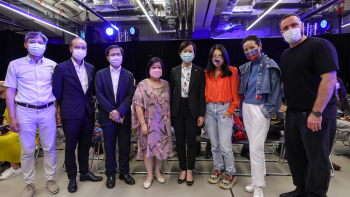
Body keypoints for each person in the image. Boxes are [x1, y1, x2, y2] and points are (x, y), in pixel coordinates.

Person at [279, 14, 339, 197]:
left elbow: (329, 79)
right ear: (281, 33)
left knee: (317, 158)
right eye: (286, 28)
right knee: (296, 156)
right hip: (293, 113)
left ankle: (315, 194)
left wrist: (317, 112)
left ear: (302, 26)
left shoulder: (319, 46)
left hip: (315, 112)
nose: (290, 30)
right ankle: (301, 189)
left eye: (294, 25)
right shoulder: (286, 54)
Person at [4, 31, 59, 197]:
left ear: (45, 46)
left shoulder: (52, 65)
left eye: (40, 42)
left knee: (49, 148)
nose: (37, 44)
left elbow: (56, 90)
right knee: (27, 150)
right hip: (24, 111)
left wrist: (58, 111)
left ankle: (50, 179)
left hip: (48, 109)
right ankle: (29, 184)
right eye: (33, 41)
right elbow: (9, 92)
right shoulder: (15, 65)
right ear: (25, 45)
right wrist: (12, 117)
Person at [52, 37, 102, 193]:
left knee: (85, 146)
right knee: (70, 147)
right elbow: (57, 92)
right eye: (77, 46)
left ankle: (85, 172)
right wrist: (62, 108)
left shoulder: (90, 67)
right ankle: (72, 177)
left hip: (87, 112)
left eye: (84, 47)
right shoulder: (61, 68)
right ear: (70, 48)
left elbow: (90, 91)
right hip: (70, 113)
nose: (81, 49)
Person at [239, 35, 282, 197]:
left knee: (255, 149)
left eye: (252, 47)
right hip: (246, 109)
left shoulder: (271, 66)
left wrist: (265, 113)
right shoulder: (246, 67)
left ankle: (258, 186)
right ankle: (259, 181)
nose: (249, 52)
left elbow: (276, 95)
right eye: (246, 50)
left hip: (260, 109)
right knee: (255, 147)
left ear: (260, 46)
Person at [95, 45, 136, 189]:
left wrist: (119, 112)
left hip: (123, 116)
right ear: (107, 57)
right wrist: (113, 111)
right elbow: (99, 94)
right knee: (109, 147)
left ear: (122, 56)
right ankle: (110, 174)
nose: (116, 57)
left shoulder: (129, 75)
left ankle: (124, 172)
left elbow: (130, 95)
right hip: (107, 117)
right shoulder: (100, 74)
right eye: (113, 55)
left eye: (118, 54)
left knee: (125, 146)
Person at [132, 57, 173, 189]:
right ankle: (149, 174)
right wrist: (143, 124)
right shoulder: (142, 84)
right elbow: (137, 104)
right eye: (153, 67)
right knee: (148, 150)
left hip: (163, 124)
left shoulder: (166, 84)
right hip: (148, 123)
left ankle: (157, 171)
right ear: (148, 69)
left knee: (159, 148)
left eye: (159, 67)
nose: (156, 69)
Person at [204, 44, 240, 189]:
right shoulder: (207, 73)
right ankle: (218, 169)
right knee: (214, 145)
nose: (216, 58)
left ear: (224, 57)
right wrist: (203, 109)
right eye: (214, 55)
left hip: (225, 109)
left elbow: (236, 95)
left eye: (219, 55)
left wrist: (231, 110)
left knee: (225, 146)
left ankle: (231, 173)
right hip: (209, 110)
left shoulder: (232, 71)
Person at [169, 41, 205, 186]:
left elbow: (202, 94)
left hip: (193, 110)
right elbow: (171, 91)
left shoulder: (199, 71)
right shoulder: (174, 71)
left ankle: (190, 170)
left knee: (191, 142)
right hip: (177, 109)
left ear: (194, 54)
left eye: (190, 51)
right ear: (179, 53)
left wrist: (201, 114)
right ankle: (182, 169)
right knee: (179, 141)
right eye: (185, 51)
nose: (187, 54)